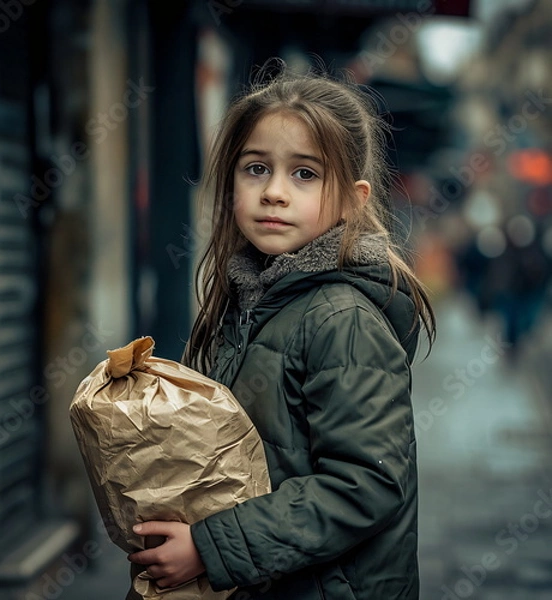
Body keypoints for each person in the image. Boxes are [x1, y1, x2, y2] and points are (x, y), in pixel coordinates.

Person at [127, 59, 436, 600]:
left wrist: (211, 547)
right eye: (255, 168)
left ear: (354, 199)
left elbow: (365, 484)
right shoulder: (249, 300)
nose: (274, 192)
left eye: (305, 174)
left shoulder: (344, 320)